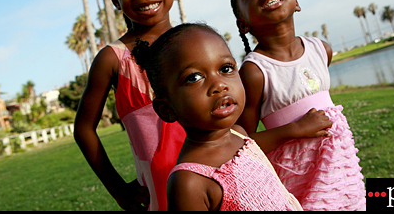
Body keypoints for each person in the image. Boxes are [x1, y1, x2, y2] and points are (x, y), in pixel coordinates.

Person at [230, 0, 367, 211]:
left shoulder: (320, 49)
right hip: (301, 182)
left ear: (296, 2)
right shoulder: (255, 71)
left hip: (342, 175)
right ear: (243, 24)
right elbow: (242, 142)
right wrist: (294, 129)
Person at [132, 22, 312, 210]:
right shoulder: (190, 182)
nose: (219, 85)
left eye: (226, 69)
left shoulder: (239, 134)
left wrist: (296, 130)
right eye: (194, 77)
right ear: (166, 109)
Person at [73, 0, 186, 211]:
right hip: (161, 191)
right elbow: (83, 128)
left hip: (218, 173)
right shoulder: (112, 59)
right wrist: (118, 189)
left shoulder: (197, 43)